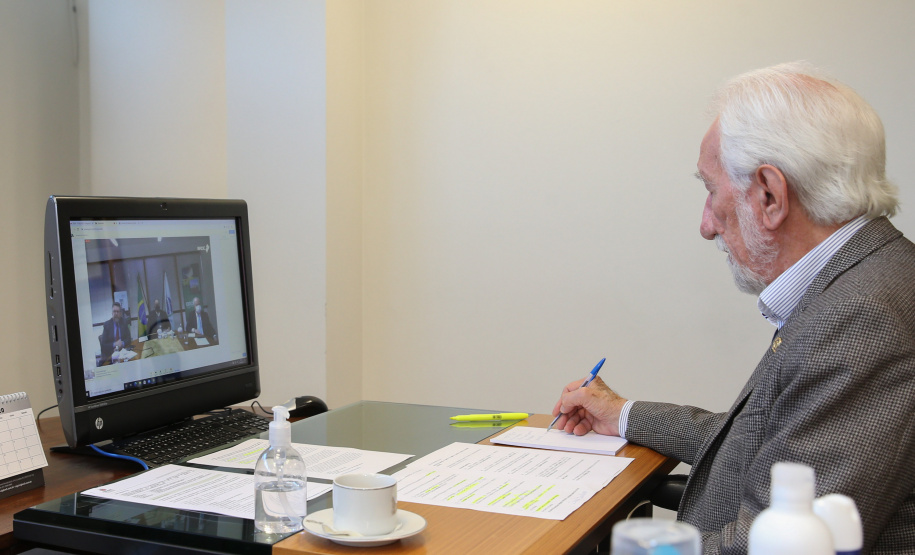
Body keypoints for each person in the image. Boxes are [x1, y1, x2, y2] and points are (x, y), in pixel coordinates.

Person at [552, 63, 915, 554]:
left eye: (710, 190)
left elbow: (768, 546)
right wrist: (621, 415)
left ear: (769, 194)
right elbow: (758, 439)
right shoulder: (867, 277)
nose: (706, 225)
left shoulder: (862, 318)